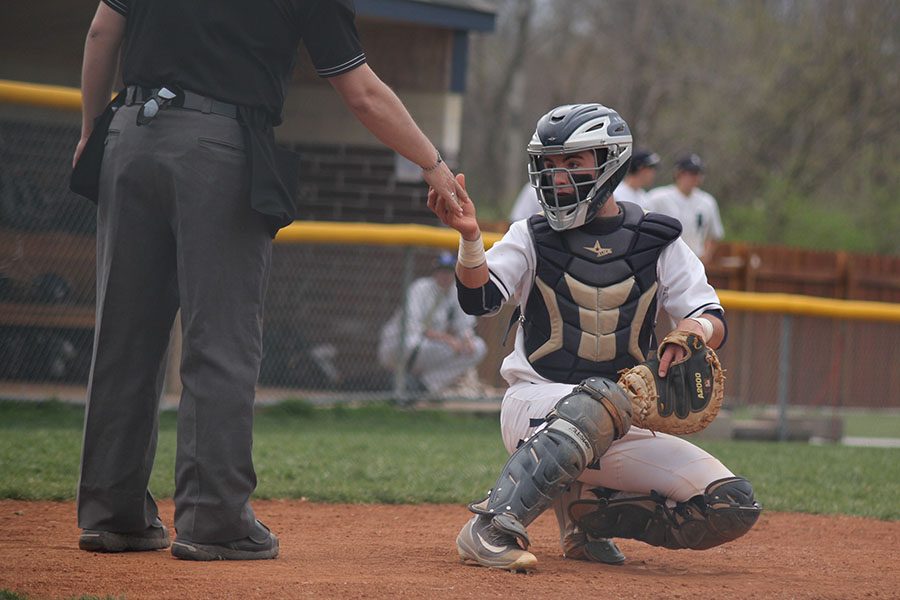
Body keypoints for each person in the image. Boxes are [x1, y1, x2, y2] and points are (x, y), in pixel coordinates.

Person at [72, 0, 467, 561]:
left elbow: (99, 32)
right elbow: (362, 91)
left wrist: (92, 127)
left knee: (124, 336)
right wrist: (433, 164)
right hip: (218, 145)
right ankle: (213, 521)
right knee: (221, 339)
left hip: (129, 138)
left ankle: (112, 515)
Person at [427, 103, 760, 571]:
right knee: (601, 400)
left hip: (621, 416)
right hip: (535, 405)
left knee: (731, 505)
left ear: (612, 161)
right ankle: (491, 527)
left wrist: (692, 331)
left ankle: (586, 518)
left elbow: (710, 314)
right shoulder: (531, 235)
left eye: (572, 162)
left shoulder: (657, 239)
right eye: (550, 163)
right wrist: (469, 239)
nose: (557, 175)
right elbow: (479, 299)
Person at [378, 252, 486, 397]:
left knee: (478, 347)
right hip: (398, 345)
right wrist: (449, 340)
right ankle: (408, 382)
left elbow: (465, 325)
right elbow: (414, 327)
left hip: (429, 348)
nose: (445, 275)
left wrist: (466, 339)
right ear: (435, 272)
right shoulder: (420, 288)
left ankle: (425, 386)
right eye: (441, 271)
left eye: (449, 271)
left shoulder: (457, 292)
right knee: (415, 342)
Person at [645, 154, 724, 261]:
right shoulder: (657, 197)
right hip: (665, 259)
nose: (696, 177)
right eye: (691, 173)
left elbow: (714, 235)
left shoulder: (707, 201)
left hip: (694, 258)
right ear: (678, 173)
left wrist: (705, 258)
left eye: (698, 173)